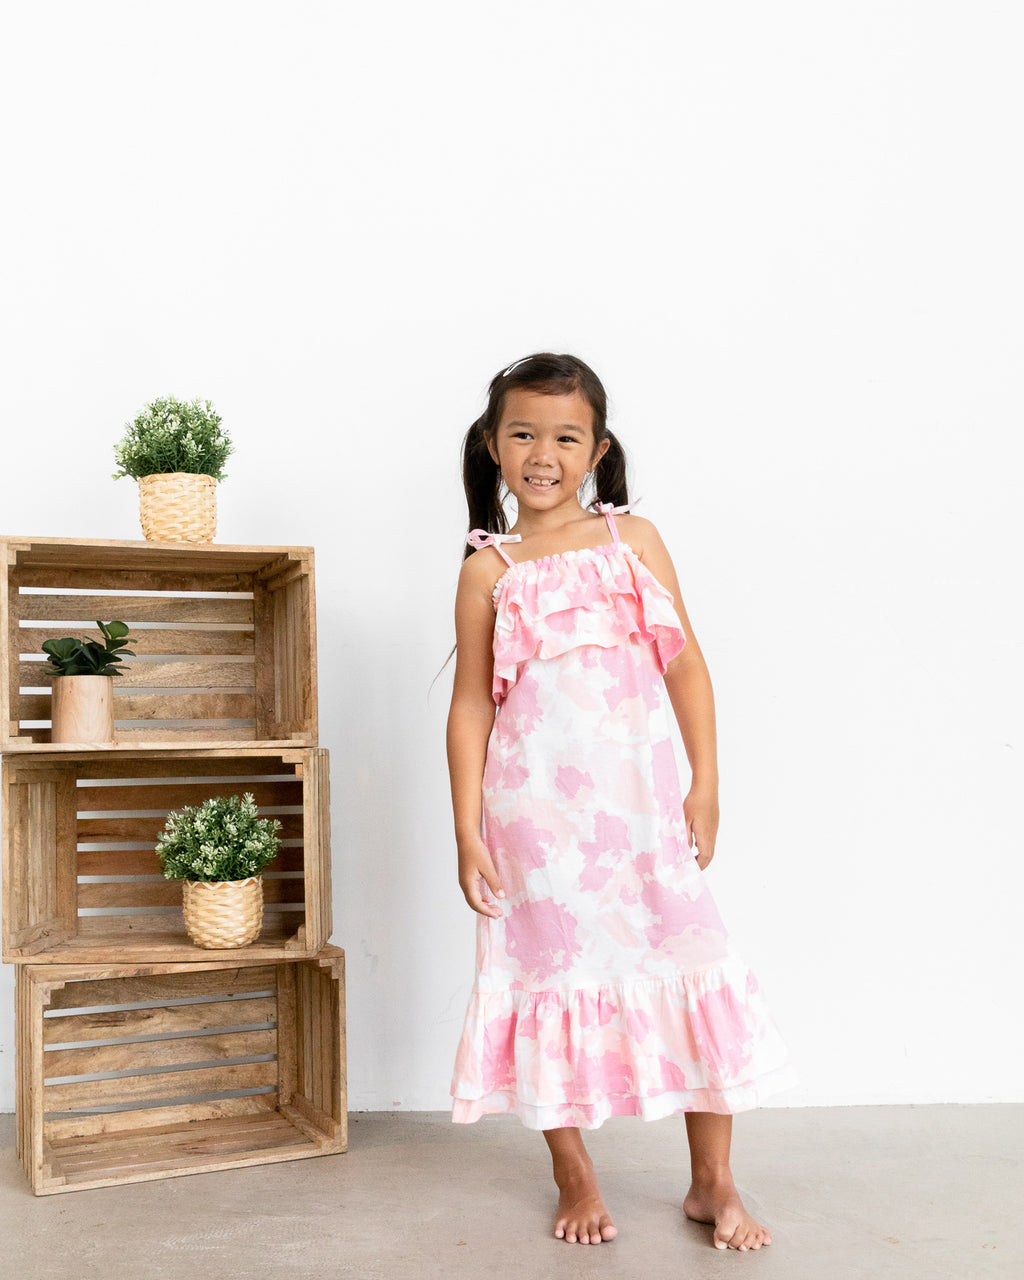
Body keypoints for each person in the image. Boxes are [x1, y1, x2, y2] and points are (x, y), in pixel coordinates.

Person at [445, 352, 797, 1249]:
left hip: (638, 814)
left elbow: (686, 665)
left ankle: (713, 1181)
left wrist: (706, 780)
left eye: (567, 437)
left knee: (694, 957)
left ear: (598, 450)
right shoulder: (489, 569)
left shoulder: (630, 540)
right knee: (545, 978)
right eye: (524, 434)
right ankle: (573, 1172)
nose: (544, 454)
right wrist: (466, 829)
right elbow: (470, 706)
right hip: (532, 823)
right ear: (493, 445)